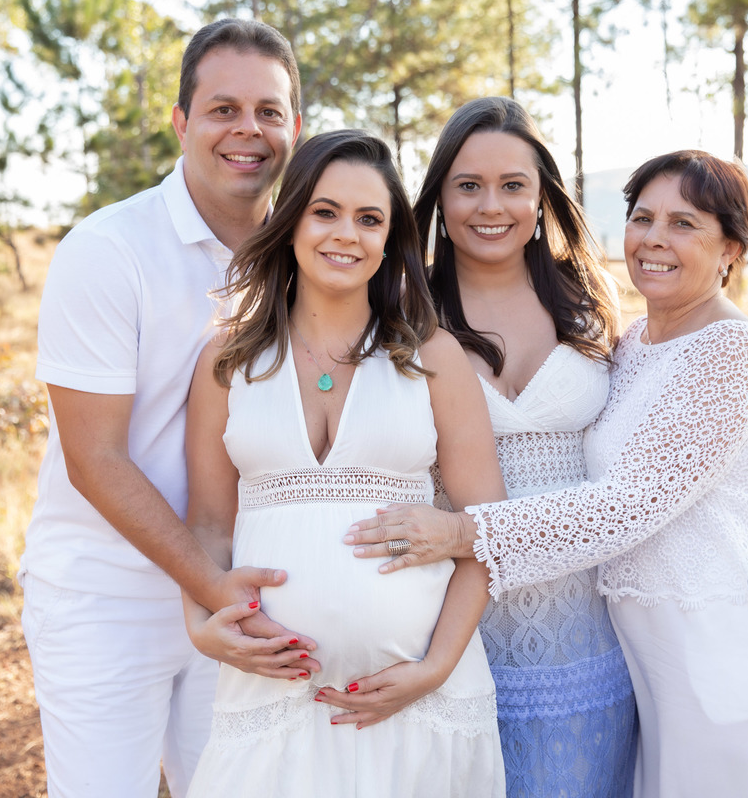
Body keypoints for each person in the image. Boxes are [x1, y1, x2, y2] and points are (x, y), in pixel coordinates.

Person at [346, 150, 748, 797]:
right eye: (643, 218)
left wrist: (460, 533)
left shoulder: (737, 350)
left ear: (731, 246)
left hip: (726, 650)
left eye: (684, 224)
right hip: (642, 657)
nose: (654, 239)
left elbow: (627, 506)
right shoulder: (633, 341)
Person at [20, 19, 318, 798]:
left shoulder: (306, 262)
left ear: (296, 127)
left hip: (244, 588)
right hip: (106, 595)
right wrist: (211, 586)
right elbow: (95, 460)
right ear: (182, 122)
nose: (247, 130)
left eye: (268, 111)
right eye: (222, 109)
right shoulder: (108, 250)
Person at [181, 129, 508, 797]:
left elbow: (487, 530)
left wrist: (437, 666)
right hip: (272, 701)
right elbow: (209, 527)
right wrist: (201, 628)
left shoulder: (432, 356)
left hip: (420, 700)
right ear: (291, 218)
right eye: (325, 211)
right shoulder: (228, 361)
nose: (346, 235)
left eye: (369, 219)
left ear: (390, 240)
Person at [418, 96, 638, 797]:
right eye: (469, 184)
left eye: (514, 185)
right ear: (440, 198)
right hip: (450, 627)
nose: (492, 205)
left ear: (542, 197)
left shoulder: (590, 302)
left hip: (585, 633)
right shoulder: (403, 309)